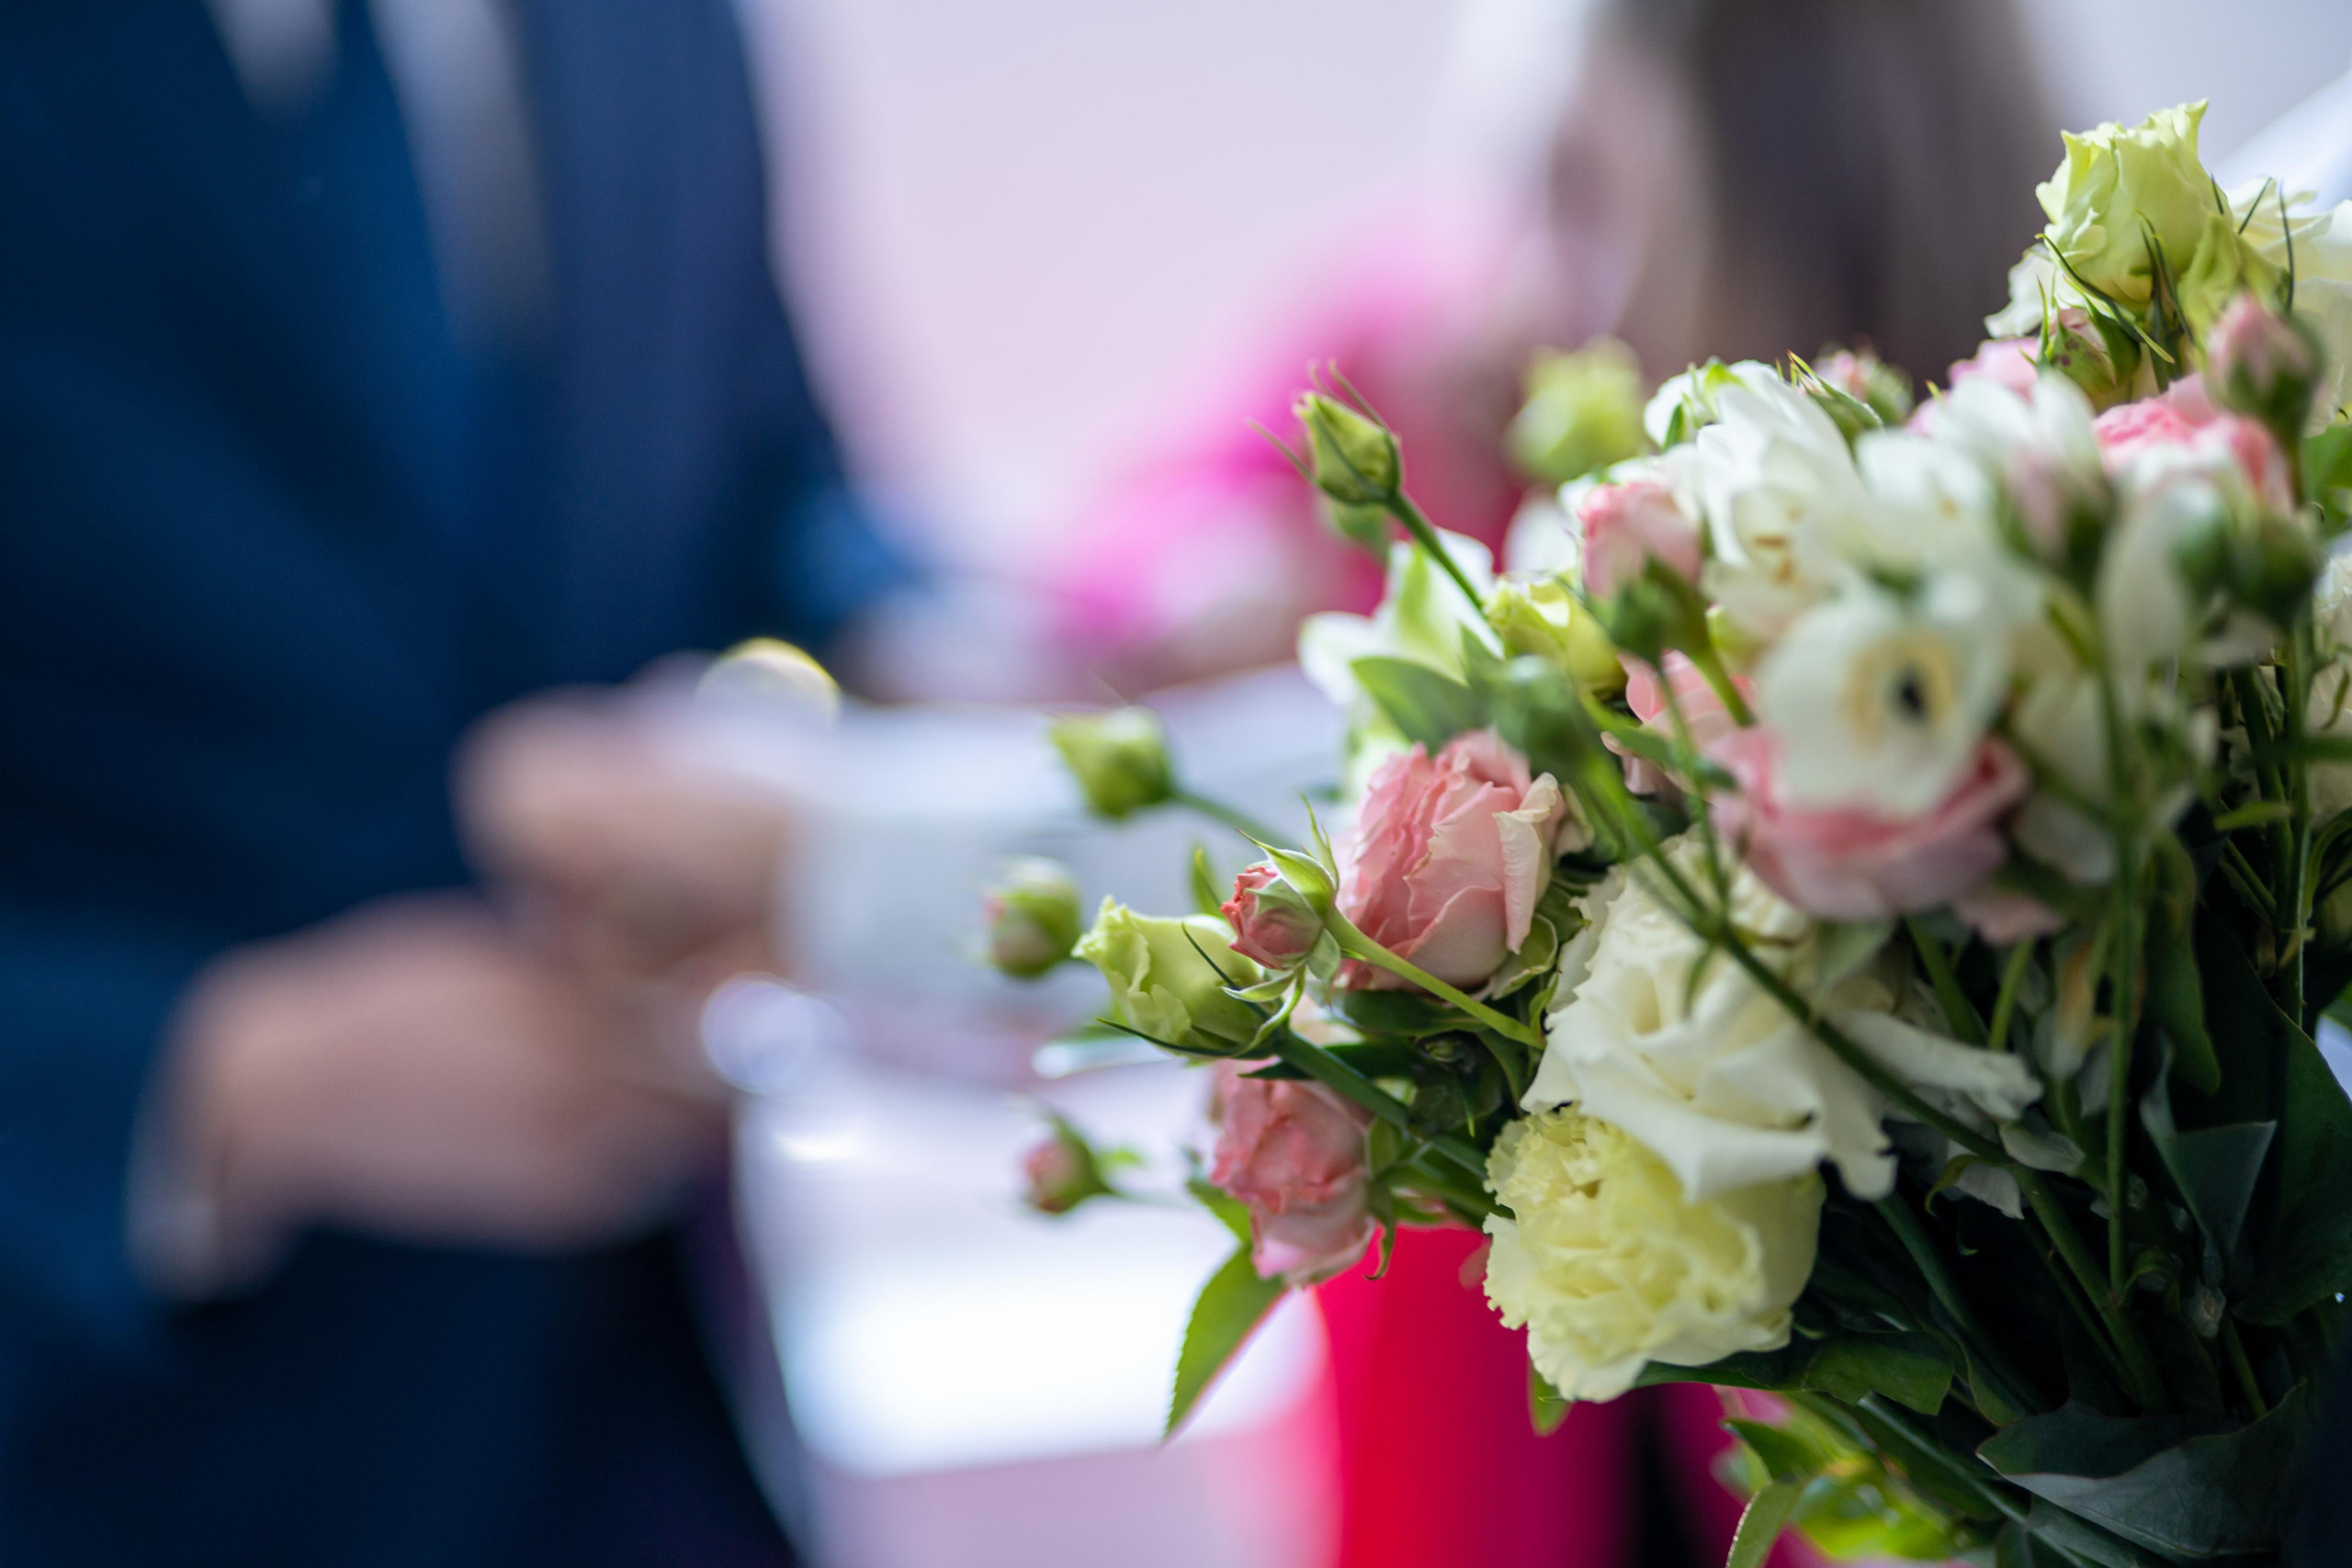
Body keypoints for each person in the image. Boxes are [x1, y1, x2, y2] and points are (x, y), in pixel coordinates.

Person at [0, 1, 900, 1562]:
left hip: (654, 1425)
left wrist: (932, 657)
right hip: (117, 1450)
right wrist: (218, 1083)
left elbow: (772, 501)